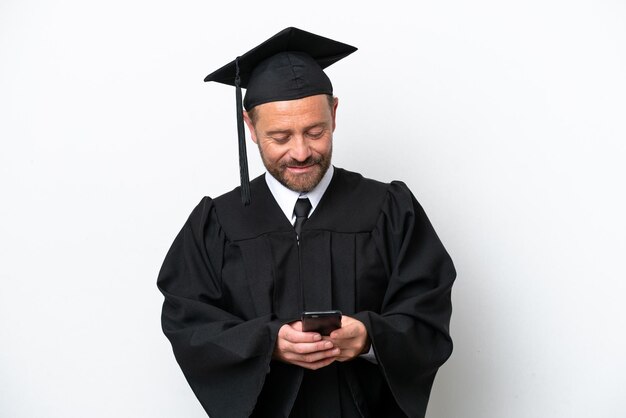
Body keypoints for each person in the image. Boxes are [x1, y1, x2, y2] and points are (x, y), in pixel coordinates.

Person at [157, 27, 455, 418]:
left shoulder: (389, 208)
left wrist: (368, 337)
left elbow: (426, 314)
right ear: (250, 127)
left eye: (315, 132)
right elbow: (189, 322)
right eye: (280, 137)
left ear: (333, 113)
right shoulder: (218, 222)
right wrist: (267, 343)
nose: (300, 152)